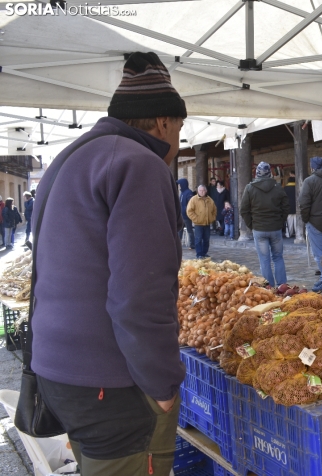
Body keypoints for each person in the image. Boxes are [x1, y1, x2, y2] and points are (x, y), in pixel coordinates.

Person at [30, 52, 186, 476]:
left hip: (56, 372)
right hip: (111, 385)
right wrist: (162, 383)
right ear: (163, 123)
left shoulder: (70, 158)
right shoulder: (140, 164)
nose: (179, 142)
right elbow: (141, 292)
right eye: (180, 129)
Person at [240, 162, 290, 287]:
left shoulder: (250, 188)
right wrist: (280, 222)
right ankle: (282, 286)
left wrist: (252, 225)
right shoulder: (278, 187)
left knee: (264, 260)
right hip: (275, 228)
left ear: (257, 173)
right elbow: (286, 207)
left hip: (259, 228)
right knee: (278, 257)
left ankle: (269, 287)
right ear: (270, 173)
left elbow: (243, 210)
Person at [299, 157, 322, 293]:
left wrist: (306, 219)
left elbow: (304, 203)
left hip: (316, 222)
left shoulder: (310, 181)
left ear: (312, 168)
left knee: (319, 254)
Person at [187, 185, 217, 259]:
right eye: (200, 190)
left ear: (206, 191)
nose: (202, 192)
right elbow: (189, 211)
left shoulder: (210, 200)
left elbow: (214, 210)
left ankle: (204, 252)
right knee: (198, 239)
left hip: (207, 223)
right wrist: (196, 219)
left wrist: (212, 218)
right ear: (198, 191)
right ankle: (199, 254)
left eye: (203, 190)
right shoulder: (193, 199)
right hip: (198, 224)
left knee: (206, 239)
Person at [177, 178, 195, 249]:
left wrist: (185, 210)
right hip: (181, 216)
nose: (179, 186)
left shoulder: (189, 192)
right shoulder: (182, 193)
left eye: (180, 185)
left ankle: (192, 245)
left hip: (186, 216)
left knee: (189, 230)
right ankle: (178, 244)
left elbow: (190, 204)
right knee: (179, 231)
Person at [284, 172, 297, 238]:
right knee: (297, 223)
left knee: (289, 224)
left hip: (288, 208)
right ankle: (298, 234)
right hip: (297, 208)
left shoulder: (285, 189)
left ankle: (288, 234)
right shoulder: (298, 188)